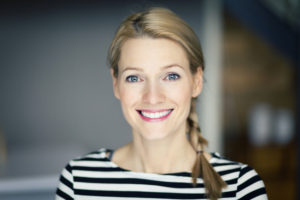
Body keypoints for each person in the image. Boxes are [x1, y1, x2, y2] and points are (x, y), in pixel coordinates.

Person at [56, 7, 268, 200]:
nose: (153, 97)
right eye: (134, 78)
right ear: (116, 84)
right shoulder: (79, 180)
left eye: (171, 76)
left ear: (196, 81)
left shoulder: (241, 187)